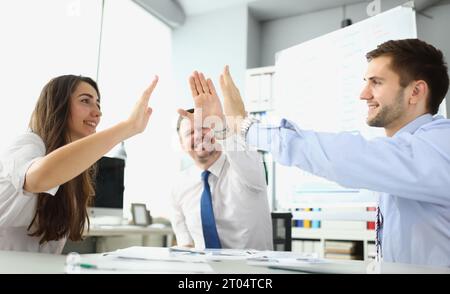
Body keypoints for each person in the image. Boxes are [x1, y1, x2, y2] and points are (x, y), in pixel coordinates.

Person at [190, 39, 450, 266]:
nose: (363, 94)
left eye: (376, 82)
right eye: (365, 82)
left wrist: (243, 125)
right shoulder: (410, 149)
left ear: (415, 92)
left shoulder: (441, 143)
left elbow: (348, 156)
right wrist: (226, 127)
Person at [0, 74, 158, 253]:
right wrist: (127, 127)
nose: (97, 112)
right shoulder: (28, 143)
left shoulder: (75, 171)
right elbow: (36, 179)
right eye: (85, 101)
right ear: (58, 105)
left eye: (98, 104)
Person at [171, 71, 273, 250]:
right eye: (190, 133)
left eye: (205, 127)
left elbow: (239, 151)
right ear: (181, 143)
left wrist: (219, 124)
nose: (200, 135)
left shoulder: (243, 164)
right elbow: (185, 244)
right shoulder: (179, 185)